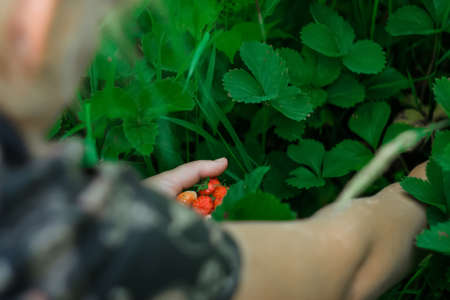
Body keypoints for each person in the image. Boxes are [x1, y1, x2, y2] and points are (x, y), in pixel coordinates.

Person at [0, 1, 428, 299]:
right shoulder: (82, 254)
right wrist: (428, 188)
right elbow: (345, 271)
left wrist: (125, 211)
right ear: (38, 22)